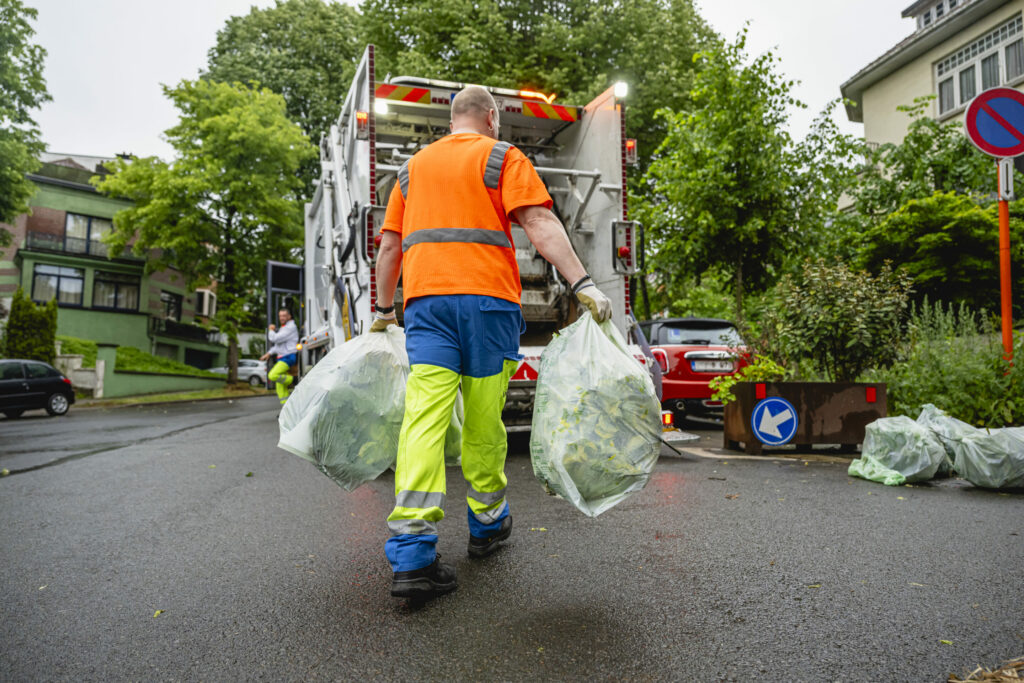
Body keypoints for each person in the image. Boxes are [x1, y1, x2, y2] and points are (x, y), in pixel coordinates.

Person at [372, 85, 612, 600]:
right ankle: (486, 525)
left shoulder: (411, 169)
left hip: (427, 306)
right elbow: (540, 222)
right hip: (486, 306)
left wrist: (382, 309)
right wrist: (582, 283)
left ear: (453, 119)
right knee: (484, 420)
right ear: (489, 118)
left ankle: (412, 554)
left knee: (424, 418)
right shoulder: (502, 155)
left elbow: (390, 243)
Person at [261, 308, 299, 405]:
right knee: (280, 388)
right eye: (280, 316)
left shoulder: (290, 327)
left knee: (272, 375)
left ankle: (294, 380)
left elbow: (275, 339)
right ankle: (286, 411)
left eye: (284, 316)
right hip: (283, 357)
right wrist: (269, 353)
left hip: (288, 357)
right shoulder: (284, 327)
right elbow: (278, 346)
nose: (281, 318)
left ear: (289, 316)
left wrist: (270, 330)